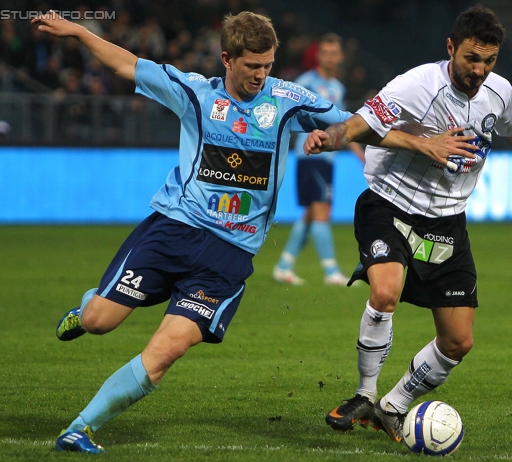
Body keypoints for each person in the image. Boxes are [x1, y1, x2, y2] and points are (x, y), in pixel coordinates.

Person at [32, 10, 354, 454]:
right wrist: (81, 32)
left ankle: (81, 427)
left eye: (268, 65)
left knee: (167, 351)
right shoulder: (196, 93)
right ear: (227, 58)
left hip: (229, 256)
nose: (262, 75)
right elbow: (128, 64)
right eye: (252, 66)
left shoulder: (288, 100)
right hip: (174, 231)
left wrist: (403, 140)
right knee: (98, 322)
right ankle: (88, 304)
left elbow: (357, 122)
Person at [303, 5, 512, 444]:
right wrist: (333, 137)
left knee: (459, 341)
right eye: (470, 59)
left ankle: (392, 406)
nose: (479, 70)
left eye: (488, 61)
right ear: (450, 48)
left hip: (447, 220)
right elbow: (360, 126)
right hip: (391, 205)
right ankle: (364, 394)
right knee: (385, 290)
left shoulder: (498, 90)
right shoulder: (417, 84)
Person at [273, 33, 365, 286]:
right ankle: (331, 271)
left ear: (341, 56)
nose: (330, 57)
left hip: (328, 159)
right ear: (318, 55)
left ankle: (284, 265)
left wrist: (358, 152)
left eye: (334, 53)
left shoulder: (338, 88)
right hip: (309, 155)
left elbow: (345, 125)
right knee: (321, 210)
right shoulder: (306, 83)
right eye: (326, 52)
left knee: (311, 214)